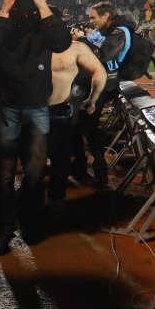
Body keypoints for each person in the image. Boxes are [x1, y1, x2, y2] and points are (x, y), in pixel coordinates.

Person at [0, 0, 71, 255]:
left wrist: (44, 7)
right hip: (6, 107)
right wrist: (5, 11)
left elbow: (62, 43)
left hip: (37, 109)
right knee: (4, 175)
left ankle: (30, 223)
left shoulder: (47, 20)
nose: (25, 9)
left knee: (34, 174)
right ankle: (4, 231)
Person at [47, 26, 106, 220]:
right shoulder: (29, 43)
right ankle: (39, 199)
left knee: (58, 159)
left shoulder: (77, 48)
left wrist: (92, 100)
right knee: (35, 159)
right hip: (35, 110)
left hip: (58, 110)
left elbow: (99, 71)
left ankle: (56, 199)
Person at [83, 2, 138, 188]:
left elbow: (103, 55)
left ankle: (100, 169)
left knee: (89, 124)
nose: (90, 21)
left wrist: (82, 41)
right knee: (85, 124)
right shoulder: (108, 30)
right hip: (97, 82)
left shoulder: (119, 32)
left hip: (106, 84)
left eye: (93, 17)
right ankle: (88, 164)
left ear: (106, 16)